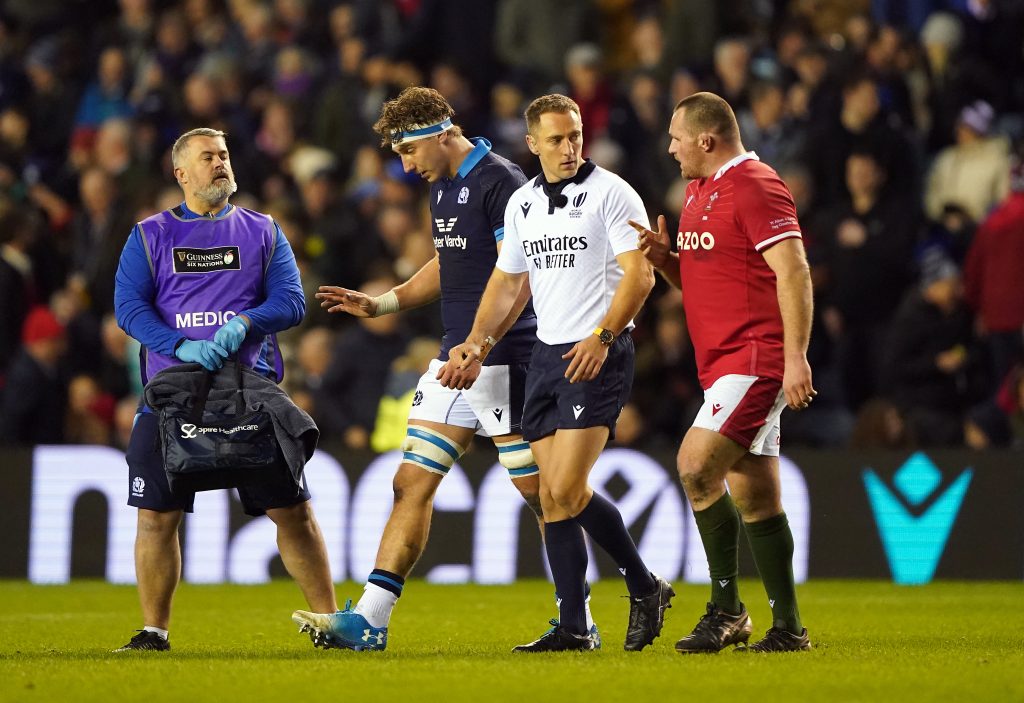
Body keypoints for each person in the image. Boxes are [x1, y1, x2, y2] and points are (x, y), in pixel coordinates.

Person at [290, 87, 594, 652]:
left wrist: (479, 345)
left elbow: (521, 276)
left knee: (547, 496)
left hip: (504, 357)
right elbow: (449, 259)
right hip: (457, 357)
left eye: (408, 152)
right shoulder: (444, 188)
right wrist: (385, 302)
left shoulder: (501, 181)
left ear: (438, 134)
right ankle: (371, 621)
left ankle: (583, 617)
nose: (406, 167)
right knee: (411, 482)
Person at [442, 93, 673, 653]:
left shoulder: (611, 193)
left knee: (566, 488)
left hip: (596, 349)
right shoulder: (522, 204)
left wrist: (603, 336)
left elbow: (639, 278)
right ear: (532, 144)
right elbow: (506, 282)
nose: (569, 147)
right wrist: (475, 343)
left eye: (574, 136)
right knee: (552, 497)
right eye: (556, 139)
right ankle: (577, 623)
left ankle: (642, 585)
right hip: (546, 354)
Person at [112, 127, 337, 651]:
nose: (220, 163)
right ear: (181, 174)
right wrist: (180, 344)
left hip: (249, 390)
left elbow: (292, 301)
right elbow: (129, 307)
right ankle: (153, 631)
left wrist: (245, 323)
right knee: (155, 516)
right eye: (207, 157)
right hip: (173, 391)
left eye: (224, 155)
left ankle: (331, 624)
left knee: (293, 511)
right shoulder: (149, 235)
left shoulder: (263, 230)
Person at [632, 92, 815, 653]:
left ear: (706, 141)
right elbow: (709, 284)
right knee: (756, 496)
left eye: (676, 137)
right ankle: (788, 628)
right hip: (721, 365)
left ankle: (726, 609)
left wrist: (795, 357)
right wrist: (667, 263)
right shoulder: (697, 193)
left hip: (755, 359)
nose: (670, 148)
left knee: (694, 465)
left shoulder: (756, 184)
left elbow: (794, 272)